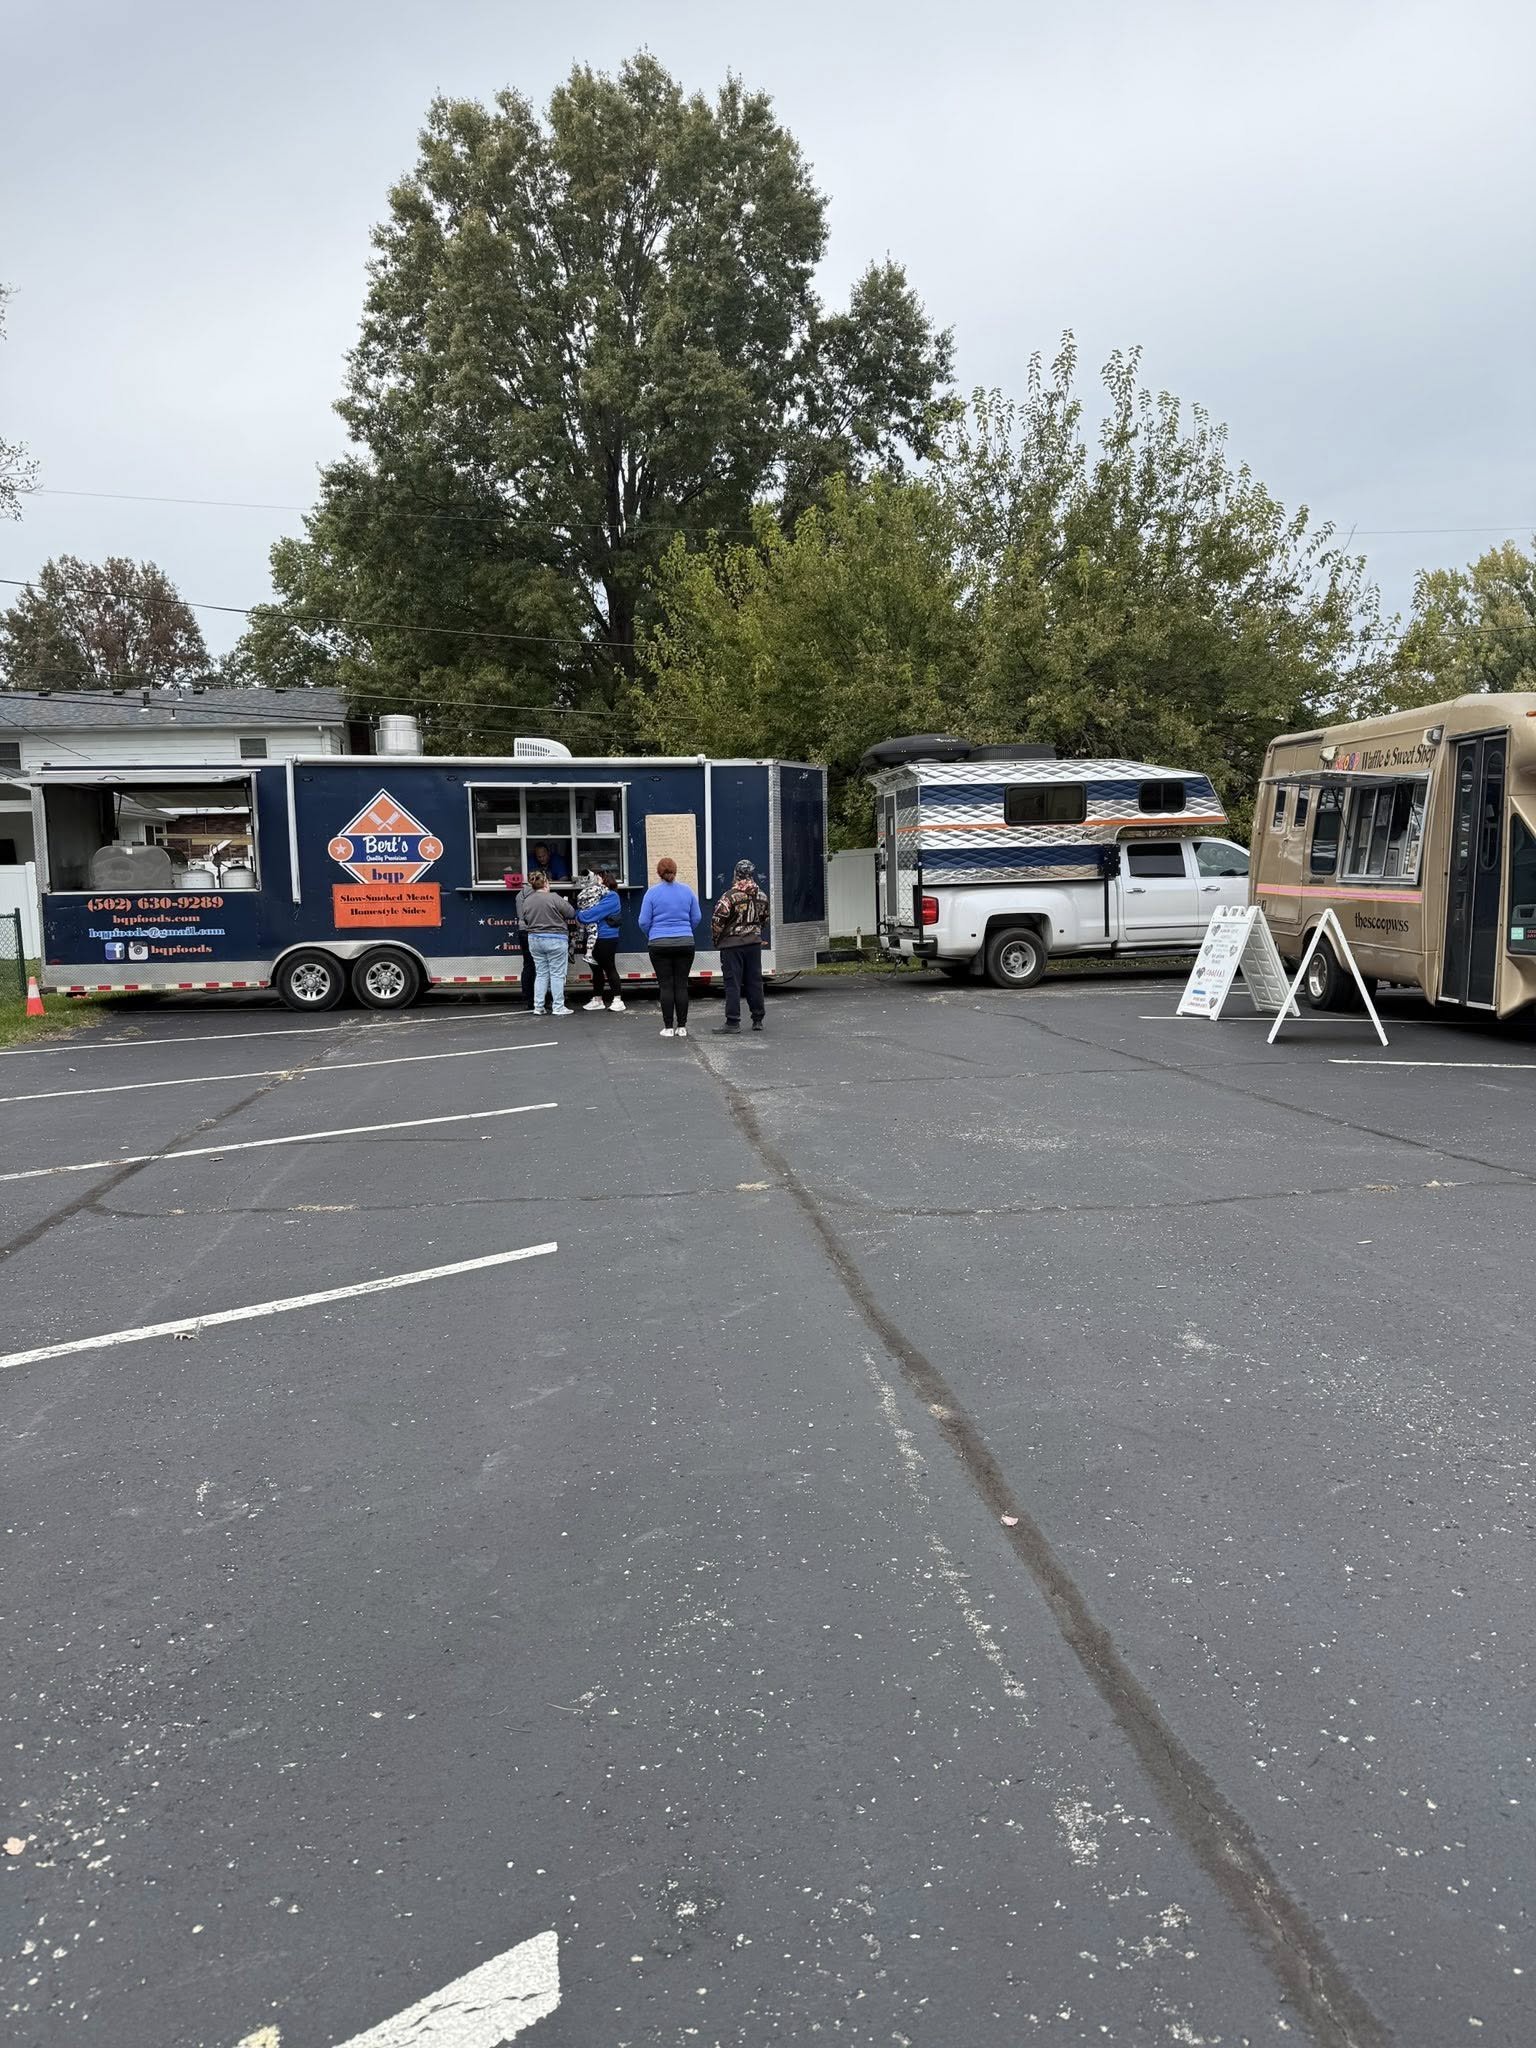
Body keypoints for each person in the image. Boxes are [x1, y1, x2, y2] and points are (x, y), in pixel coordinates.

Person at [638, 855, 701, 1038]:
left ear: (659, 872)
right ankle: (682, 1027)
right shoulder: (687, 891)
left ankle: (667, 1027)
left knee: (665, 986)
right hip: (685, 942)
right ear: (675, 870)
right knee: (681, 985)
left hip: (659, 944)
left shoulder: (652, 893)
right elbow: (696, 917)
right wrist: (686, 930)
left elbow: (643, 921)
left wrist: (652, 934)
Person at [712, 857, 770, 1033]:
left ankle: (733, 1022)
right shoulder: (761, 895)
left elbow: (717, 920)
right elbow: (765, 919)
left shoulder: (729, 897)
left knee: (733, 983)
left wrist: (717, 940)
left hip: (732, 945)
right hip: (753, 944)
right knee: (754, 981)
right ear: (752, 874)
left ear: (736, 875)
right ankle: (757, 1019)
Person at [521, 872, 578, 1015]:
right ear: (546, 883)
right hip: (555, 939)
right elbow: (571, 912)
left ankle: (538, 1006)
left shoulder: (527, 900)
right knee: (557, 974)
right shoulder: (553, 897)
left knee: (541, 974)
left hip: (534, 939)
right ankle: (558, 1006)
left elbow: (526, 919)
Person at [576, 866, 625, 1013]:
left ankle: (618, 1000)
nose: (594, 880)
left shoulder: (611, 897)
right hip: (594, 937)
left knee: (609, 967)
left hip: (606, 938)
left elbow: (588, 915)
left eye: (597, 877)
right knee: (596, 969)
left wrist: (580, 914)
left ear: (604, 879)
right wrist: (582, 913)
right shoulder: (598, 895)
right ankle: (597, 999)